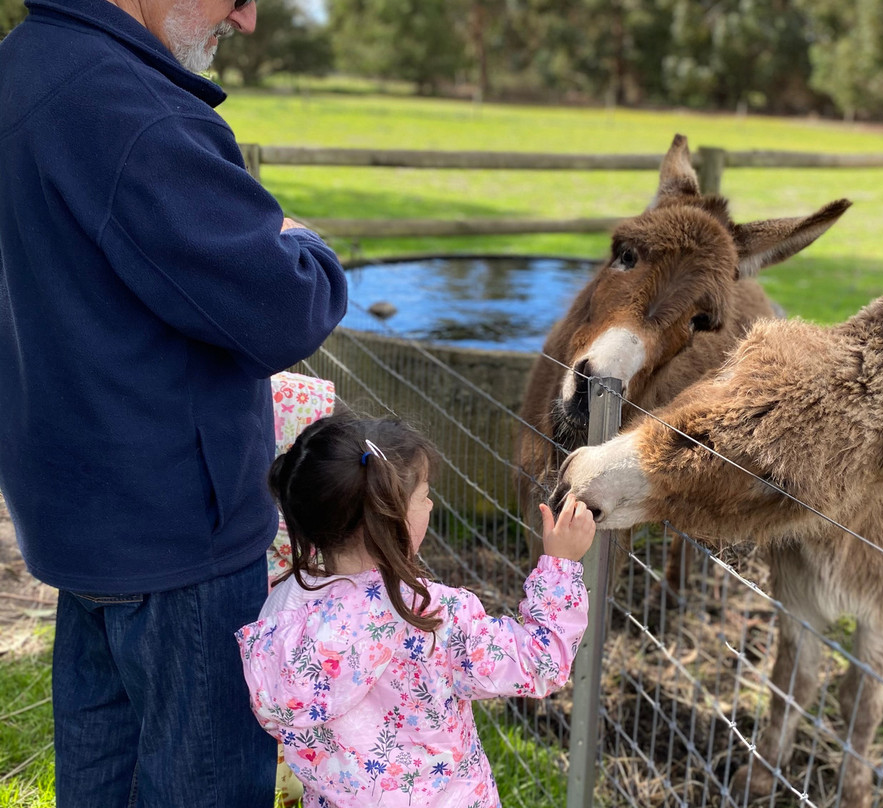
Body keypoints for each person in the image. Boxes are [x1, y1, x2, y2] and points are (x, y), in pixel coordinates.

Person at [0, 0, 349, 803]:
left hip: (78, 521)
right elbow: (287, 305)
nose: (248, 17)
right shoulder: (128, 110)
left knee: (104, 783)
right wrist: (305, 242)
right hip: (175, 545)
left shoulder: (28, 62)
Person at [235, 413, 596, 807]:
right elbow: (541, 662)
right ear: (391, 520)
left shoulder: (281, 611)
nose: (431, 502)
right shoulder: (433, 617)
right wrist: (561, 564)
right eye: (423, 495)